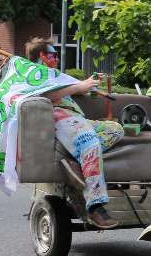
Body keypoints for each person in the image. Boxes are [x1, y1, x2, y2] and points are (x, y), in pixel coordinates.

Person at [26, 38, 123, 229]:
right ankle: (95, 206)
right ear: (42, 56)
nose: (57, 58)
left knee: (115, 129)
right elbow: (48, 94)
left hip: (77, 119)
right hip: (59, 116)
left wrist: (87, 86)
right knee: (90, 143)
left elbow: (73, 89)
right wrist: (79, 87)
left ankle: (77, 159)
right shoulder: (35, 75)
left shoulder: (57, 76)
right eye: (53, 55)